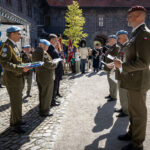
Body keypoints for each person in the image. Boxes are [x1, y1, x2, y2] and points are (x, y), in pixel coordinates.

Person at [114, 6, 150, 150]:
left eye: (130, 16)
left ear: (139, 17)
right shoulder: (136, 34)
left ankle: (137, 143)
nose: (127, 18)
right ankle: (132, 133)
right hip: (132, 80)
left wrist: (122, 66)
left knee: (139, 112)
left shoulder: (144, 35)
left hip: (138, 81)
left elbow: (144, 62)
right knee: (133, 111)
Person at [0, 26, 31, 133]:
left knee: (17, 101)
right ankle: (15, 125)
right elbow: (4, 63)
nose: (20, 36)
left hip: (18, 77)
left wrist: (26, 65)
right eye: (18, 33)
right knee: (16, 102)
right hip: (12, 79)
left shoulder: (15, 46)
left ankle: (16, 120)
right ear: (12, 34)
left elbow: (17, 61)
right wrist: (21, 68)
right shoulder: (6, 46)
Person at [32, 39, 57, 117]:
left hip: (40, 75)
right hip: (46, 76)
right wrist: (55, 64)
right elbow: (48, 64)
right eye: (47, 47)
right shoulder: (43, 52)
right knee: (47, 94)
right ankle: (45, 111)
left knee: (42, 94)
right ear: (42, 45)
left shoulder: (36, 52)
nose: (47, 48)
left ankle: (42, 109)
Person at [114, 30, 129, 117]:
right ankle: (123, 107)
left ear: (124, 36)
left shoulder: (128, 46)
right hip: (120, 73)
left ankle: (126, 111)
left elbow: (127, 60)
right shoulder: (123, 46)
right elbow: (119, 57)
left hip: (125, 73)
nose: (118, 40)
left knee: (124, 93)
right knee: (121, 92)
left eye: (119, 38)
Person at [47, 34, 62, 107]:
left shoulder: (53, 47)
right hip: (54, 71)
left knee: (55, 86)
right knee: (53, 87)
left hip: (57, 70)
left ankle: (53, 99)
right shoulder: (49, 48)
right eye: (56, 40)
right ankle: (52, 101)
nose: (57, 41)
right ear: (52, 40)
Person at [104, 35, 120, 102]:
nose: (109, 41)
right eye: (109, 40)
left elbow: (115, 58)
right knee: (110, 82)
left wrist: (107, 55)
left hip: (113, 67)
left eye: (110, 40)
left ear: (114, 40)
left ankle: (114, 96)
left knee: (113, 82)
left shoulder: (116, 47)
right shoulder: (111, 47)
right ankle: (111, 94)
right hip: (108, 67)